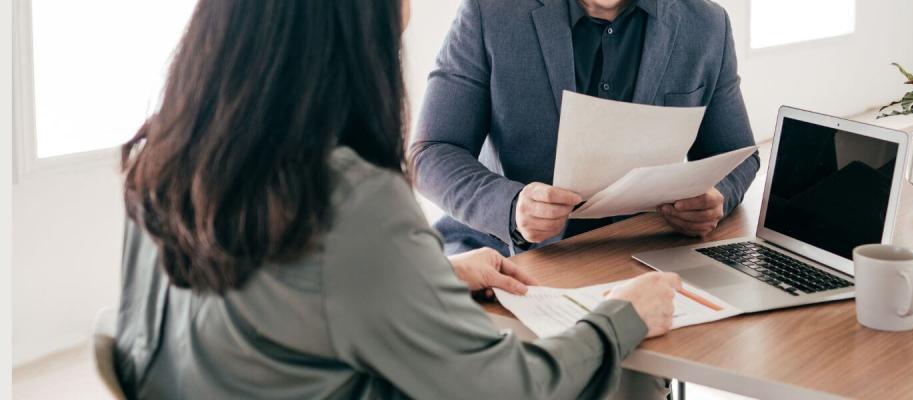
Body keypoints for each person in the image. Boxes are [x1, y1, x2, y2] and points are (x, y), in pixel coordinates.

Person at [113, 0, 680, 398]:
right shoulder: (352, 199)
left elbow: (284, 301)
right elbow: (508, 389)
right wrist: (620, 318)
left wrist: (424, 273)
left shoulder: (164, 158)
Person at [412, 0, 760, 256]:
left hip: (645, 254)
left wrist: (717, 196)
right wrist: (512, 207)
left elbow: (738, 154)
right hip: (506, 254)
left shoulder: (707, 24)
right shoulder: (489, 12)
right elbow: (431, 152)